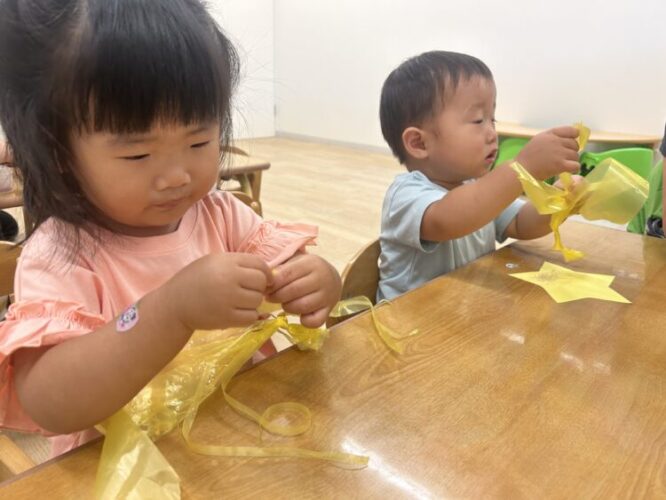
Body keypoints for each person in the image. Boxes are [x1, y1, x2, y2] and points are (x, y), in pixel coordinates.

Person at [0, 0, 341, 457]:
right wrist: (170, 311)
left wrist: (318, 281)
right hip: (128, 466)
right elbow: (52, 405)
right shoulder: (60, 255)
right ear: (57, 151)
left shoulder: (222, 215)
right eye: (138, 154)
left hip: (244, 438)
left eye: (199, 141)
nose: (177, 176)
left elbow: (293, 273)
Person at [377, 51, 581, 301]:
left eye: (492, 119)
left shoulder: (478, 189)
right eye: (477, 120)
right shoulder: (405, 196)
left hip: (464, 313)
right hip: (405, 321)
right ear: (419, 143)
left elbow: (520, 223)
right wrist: (523, 167)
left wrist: (559, 200)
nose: (492, 133)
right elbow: (449, 219)